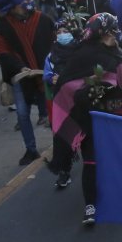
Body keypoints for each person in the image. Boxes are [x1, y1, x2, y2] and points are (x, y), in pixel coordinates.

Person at [52, 12, 122, 225]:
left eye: (115, 32)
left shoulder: (121, 54)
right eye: (110, 32)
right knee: (91, 162)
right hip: (94, 120)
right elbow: (66, 85)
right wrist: (91, 90)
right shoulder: (83, 55)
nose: (114, 36)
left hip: (121, 120)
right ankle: (90, 205)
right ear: (100, 33)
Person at [0, 0, 56, 165]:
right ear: (12, 6)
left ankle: (61, 145)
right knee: (22, 114)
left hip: (45, 75)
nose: (29, 4)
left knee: (54, 111)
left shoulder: (43, 20)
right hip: (21, 77)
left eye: (30, 0)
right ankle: (31, 149)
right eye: (24, 2)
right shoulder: (3, 26)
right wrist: (21, 68)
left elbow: (55, 43)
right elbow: (3, 52)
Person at [43, 16, 82, 188]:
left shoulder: (81, 51)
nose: (62, 35)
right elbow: (47, 74)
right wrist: (52, 79)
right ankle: (64, 171)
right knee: (63, 137)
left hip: (81, 100)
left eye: (65, 31)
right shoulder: (51, 56)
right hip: (62, 102)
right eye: (59, 32)